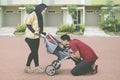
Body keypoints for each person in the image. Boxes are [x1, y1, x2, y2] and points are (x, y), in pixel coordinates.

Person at [24, 3, 47, 74]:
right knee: (34, 52)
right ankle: (36, 67)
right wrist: (34, 32)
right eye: (44, 10)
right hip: (30, 37)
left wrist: (42, 33)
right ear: (40, 8)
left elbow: (39, 26)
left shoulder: (40, 15)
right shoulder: (32, 14)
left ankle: (28, 67)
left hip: (36, 37)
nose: (44, 12)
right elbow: (28, 23)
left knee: (34, 52)